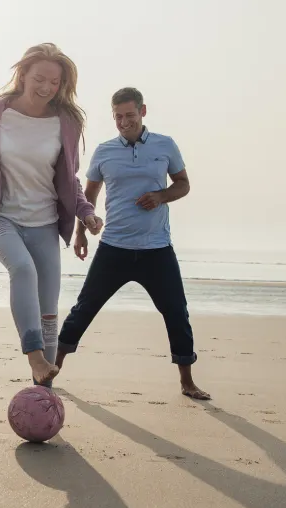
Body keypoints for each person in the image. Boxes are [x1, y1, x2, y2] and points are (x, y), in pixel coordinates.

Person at [0, 42, 103, 387]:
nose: (47, 88)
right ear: (22, 75)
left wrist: (86, 213)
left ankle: (44, 388)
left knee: (49, 311)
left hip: (45, 224)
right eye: (40, 78)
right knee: (21, 269)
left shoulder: (66, 122)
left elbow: (69, 179)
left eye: (55, 82)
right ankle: (35, 357)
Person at [57, 87, 210, 399]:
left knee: (176, 312)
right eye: (118, 117)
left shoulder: (165, 145)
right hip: (114, 248)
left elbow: (183, 184)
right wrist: (81, 233)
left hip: (157, 249)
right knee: (84, 309)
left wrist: (161, 196)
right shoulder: (104, 151)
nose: (123, 121)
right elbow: (89, 197)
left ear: (143, 112)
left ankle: (187, 381)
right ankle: (51, 369)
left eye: (129, 115)